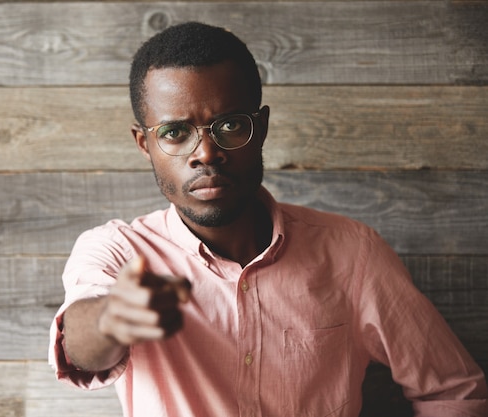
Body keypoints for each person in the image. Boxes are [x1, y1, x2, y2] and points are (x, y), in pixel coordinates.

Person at [49, 22, 487, 417]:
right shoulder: (116, 251)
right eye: (175, 132)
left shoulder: (353, 254)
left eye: (230, 125)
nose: (205, 153)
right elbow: (80, 347)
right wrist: (111, 318)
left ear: (260, 127)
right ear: (144, 144)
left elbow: (454, 391)